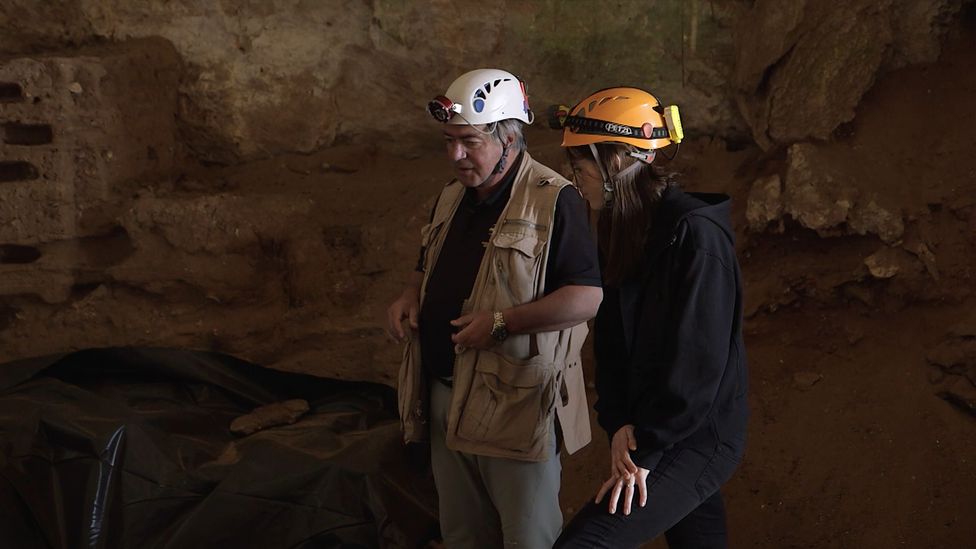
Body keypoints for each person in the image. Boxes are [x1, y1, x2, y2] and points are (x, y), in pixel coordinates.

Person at [385, 68, 603, 549]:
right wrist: (409, 296)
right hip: (444, 392)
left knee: (526, 537)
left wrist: (503, 323)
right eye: (448, 141)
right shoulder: (450, 198)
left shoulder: (554, 201)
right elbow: (427, 265)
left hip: (514, 401)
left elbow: (586, 297)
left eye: (468, 141)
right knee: (464, 534)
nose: (455, 156)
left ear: (509, 137)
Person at [550, 87, 749, 548]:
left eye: (581, 168)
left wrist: (647, 447)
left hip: (695, 436)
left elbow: (698, 366)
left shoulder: (696, 238)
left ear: (617, 161)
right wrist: (619, 420)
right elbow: (612, 340)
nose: (576, 181)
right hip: (649, 428)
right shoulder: (625, 229)